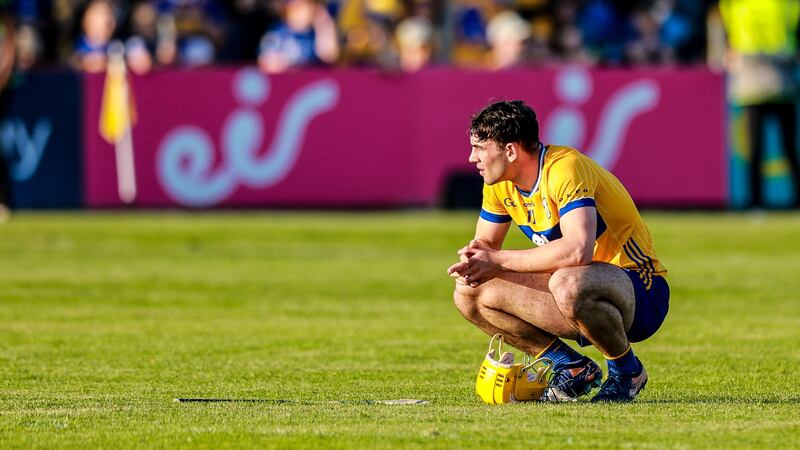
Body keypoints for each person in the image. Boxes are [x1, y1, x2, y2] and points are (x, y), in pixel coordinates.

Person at [447, 101, 669, 403]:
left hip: (641, 291)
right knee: (468, 292)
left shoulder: (565, 167)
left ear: (511, 151)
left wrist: (497, 261)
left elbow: (578, 250)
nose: (472, 158)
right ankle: (571, 367)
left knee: (568, 282)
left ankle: (626, 371)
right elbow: (486, 244)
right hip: (573, 290)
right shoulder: (499, 183)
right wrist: (474, 259)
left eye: (480, 148)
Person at [717, 0, 800, 208]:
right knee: (786, 147)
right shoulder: (788, 5)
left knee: (756, 149)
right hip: (780, 81)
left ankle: (755, 204)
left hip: (752, 83)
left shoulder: (735, 6)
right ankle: (777, 201)